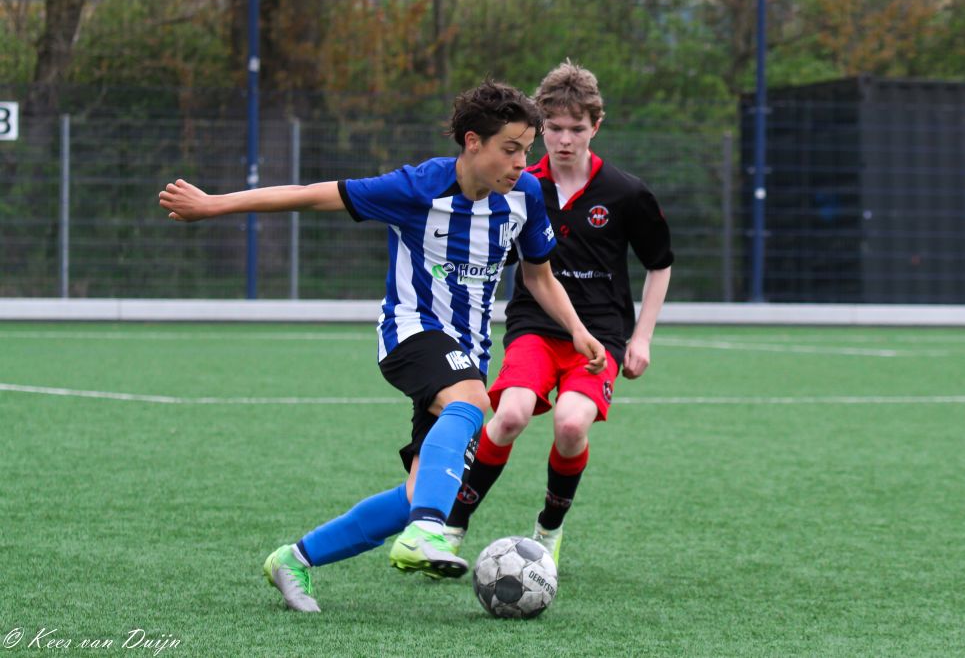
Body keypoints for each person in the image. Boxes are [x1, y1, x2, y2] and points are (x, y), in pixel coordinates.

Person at [158, 80, 606, 613]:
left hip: (468, 352)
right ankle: (428, 531)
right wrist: (213, 205)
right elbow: (310, 194)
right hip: (410, 333)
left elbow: (539, 276)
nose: (521, 163)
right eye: (510, 149)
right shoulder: (416, 187)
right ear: (472, 142)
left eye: (526, 150)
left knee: (419, 491)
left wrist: (577, 330)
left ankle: (294, 559)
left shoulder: (525, 196)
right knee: (472, 402)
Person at [444, 62, 673, 566]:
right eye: (554, 128)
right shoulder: (518, 184)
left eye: (576, 128)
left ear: (596, 126)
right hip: (534, 325)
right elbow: (494, 253)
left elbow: (660, 264)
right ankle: (453, 526)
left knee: (571, 425)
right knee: (510, 415)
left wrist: (642, 338)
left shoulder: (626, 192)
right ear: (539, 126)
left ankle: (549, 528)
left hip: (601, 334)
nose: (564, 140)